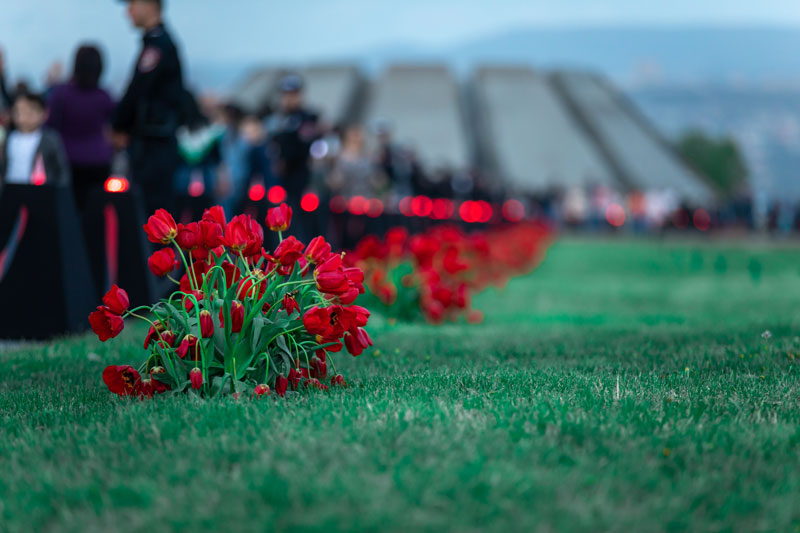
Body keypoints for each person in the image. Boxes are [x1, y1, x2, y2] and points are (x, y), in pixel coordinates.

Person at [112, 0, 184, 215]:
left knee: (154, 216)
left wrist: (118, 125)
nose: (128, 12)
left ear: (150, 5)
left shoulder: (158, 45)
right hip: (153, 144)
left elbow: (137, 90)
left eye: (133, 4)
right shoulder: (157, 43)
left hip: (154, 146)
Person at [47, 45, 115, 211]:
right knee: (94, 214)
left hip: (66, 160)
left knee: (67, 215)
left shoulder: (60, 94)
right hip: (99, 161)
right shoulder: (104, 97)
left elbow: (50, 125)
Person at [266, 74, 319, 211]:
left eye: (293, 94)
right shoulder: (274, 119)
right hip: (277, 178)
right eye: (286, 94)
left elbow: (306, 146)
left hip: (300, 176)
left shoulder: (309, 118)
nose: (289, 98)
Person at [0, 91, 70, 187]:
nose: (24, 116)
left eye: (30, 111)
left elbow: (61, 170)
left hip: (39, 192)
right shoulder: (9, 138)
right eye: (19, 111)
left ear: (44, 113)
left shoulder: (50, 139)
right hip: (10, 189)